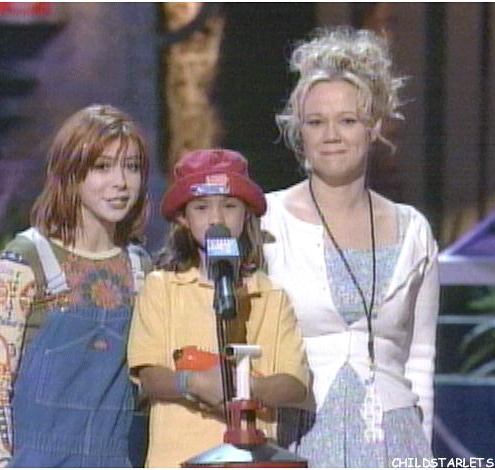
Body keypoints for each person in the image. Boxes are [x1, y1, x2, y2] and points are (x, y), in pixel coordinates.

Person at [261, 27, 440, 467]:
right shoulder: (267, 221)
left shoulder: (413, 231)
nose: (331, 135)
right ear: (299, 132)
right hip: (298, 437)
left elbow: (420, 358)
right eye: (316, 122)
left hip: (395, 441)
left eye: (347, 120)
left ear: (373, 126)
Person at [0, 104, 151, 467]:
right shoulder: (27, 259)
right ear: (72, 172)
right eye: (102, 166)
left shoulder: (139, 267)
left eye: (131, 166)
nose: (121, 182)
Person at [127, 148, 309, 467]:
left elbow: (295, 385)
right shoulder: (161, 289)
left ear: (246, 213)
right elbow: (149, 377)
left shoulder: (271, 296)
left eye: (229, 206)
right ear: (183, 218)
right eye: (201, 207)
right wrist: (194, 383)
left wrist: (246, 388)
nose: (216, 219)